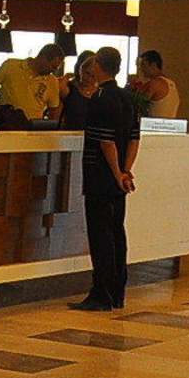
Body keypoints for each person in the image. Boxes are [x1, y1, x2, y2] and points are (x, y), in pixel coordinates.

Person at [71, 45, 140, 311]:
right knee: (116, 232)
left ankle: (101, 293)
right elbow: (134, 138)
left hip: (100, 175)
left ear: (99, 66)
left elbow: (105, 142)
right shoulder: (128, 98)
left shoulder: (100, 98)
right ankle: (117, 291)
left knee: (100, 235)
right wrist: (125, 170)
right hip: (119, 177)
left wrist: (115, 172)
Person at [0, 44, 67, 125]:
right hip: (5, 126)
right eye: (52, 67)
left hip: (33, 129)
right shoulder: (11, 66)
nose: (53, 71)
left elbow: (53, 112)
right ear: (43, 58)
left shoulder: (52, 81)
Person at [132, 49, 181, 120]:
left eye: (143, 65)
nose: (141, 69)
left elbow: (137, 105)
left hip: (154, 125)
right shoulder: (171, 84)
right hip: (170, 125)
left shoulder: (154, 84)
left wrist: (134, 88)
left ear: (153, 65)